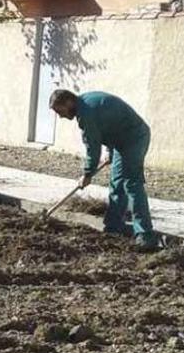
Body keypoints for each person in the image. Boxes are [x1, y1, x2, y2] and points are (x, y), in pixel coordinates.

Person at [49, 89, 158, 250]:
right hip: (121, 140)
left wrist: (87, 174)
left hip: (134, 138)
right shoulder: (85, 102)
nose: (61, 116)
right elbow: (109, 123)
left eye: (60, 111)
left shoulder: (86, 113)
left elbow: (93, 148)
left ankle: (145, 236)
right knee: (116, 183)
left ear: (68, 102)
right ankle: (113, 228)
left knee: (131, 183)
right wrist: (111, 150)